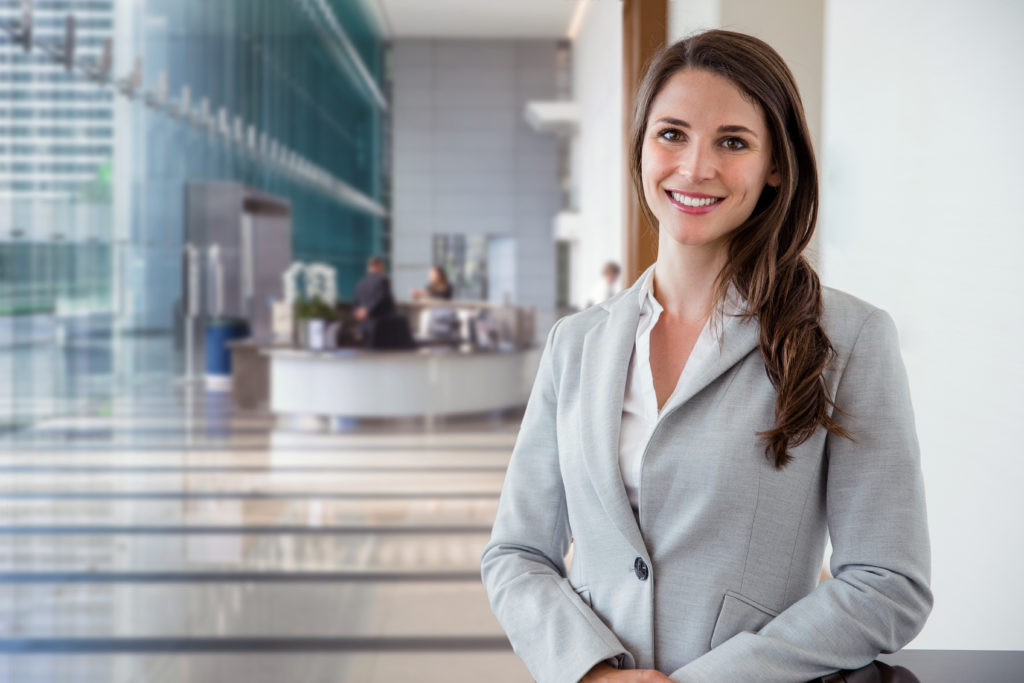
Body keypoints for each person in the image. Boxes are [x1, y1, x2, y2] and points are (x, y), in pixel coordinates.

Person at [480, 29, 932, 683]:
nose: (695, 167)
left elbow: (889, 582)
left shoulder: (850, 338)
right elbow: (517, 553)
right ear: (640, 147)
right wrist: (590, 670)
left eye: (733, 141)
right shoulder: (575, 344)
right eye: (671, 134)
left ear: (776, 164)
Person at [352, 256, 409, 349]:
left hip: (364, 325)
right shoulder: (383, 280)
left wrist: (359, 313)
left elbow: (355, 304)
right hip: (382, 326)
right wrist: (368, 310)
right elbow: (382, 298)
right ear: (379, 266)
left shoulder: (360, 284)